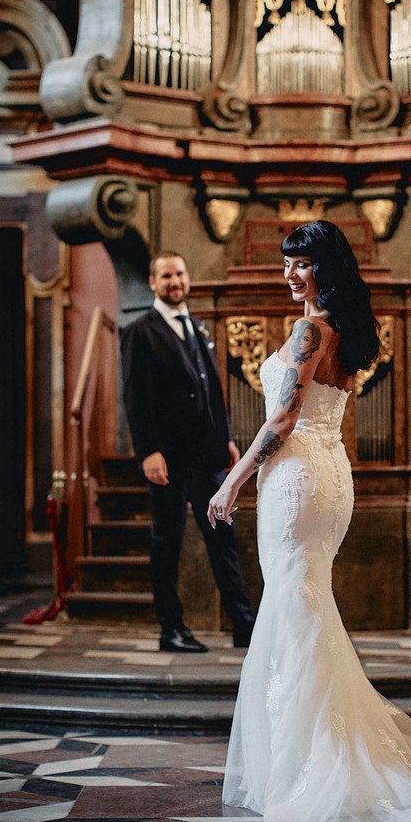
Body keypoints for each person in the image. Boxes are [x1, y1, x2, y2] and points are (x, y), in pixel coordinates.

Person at [208, 221, 411, 822]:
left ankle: (313, 766)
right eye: (286, 264)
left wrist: (233, 480)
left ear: (326, 268)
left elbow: (285, 417)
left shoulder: (308, 330)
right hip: (330, 474)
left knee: (296, 608)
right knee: (306, 605)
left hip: (295, 476)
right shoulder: (349, 332)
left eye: (300, 264)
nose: (290, 275)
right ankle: (310, 754)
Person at [121, 251, 256, 653]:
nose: (174, 281)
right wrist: (148, 451)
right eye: (166, 276)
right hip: (168, 458)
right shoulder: (139, 331)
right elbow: (134, 398)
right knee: (168, 541)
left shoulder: (197, 327)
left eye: (179, 273)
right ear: (152, 282)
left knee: (223, 539)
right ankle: (171, 628)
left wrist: (227, 437)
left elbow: (213, 389)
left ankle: (243, 625)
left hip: (208, 455)